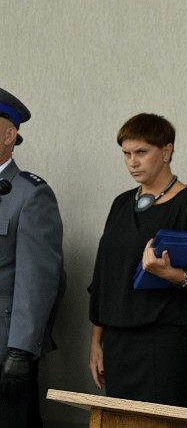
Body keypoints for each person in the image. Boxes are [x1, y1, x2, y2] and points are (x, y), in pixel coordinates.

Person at [88, 113, 187, 406]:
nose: (132, 162)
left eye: (141, 152)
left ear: (167, 151)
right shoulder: (121, 203)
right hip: (117, 341)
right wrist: (96, 342)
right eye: (126, 154)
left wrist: (172, 275)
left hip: (163, 342)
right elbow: (103, 279)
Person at [0, 88, 64, 428]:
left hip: (5, 350)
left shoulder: (30, 194)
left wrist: (21, 351)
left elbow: (37, 279)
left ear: (10, 135)